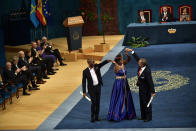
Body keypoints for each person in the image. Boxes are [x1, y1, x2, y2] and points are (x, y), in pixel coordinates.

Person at [126, 48, 155, 122]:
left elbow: (150, 82)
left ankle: (148, 117)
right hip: (141, 88)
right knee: (141, 102)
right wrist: (132, 51)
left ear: (142, 64)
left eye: (139, 63)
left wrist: (153, 92)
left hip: (146, 90)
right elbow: (137, 58)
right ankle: (143, 116)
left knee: (147, 103)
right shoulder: (141, 66)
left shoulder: (147, 71)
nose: (138, 63)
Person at [108, 51, 136, 121]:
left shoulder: (122, 63)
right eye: (120, 60)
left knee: (127, 97)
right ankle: (116, 114)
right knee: (120, 97)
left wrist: (127, 55)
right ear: (118, 61)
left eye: (121, 60)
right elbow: (118, 70)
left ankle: (128, 113)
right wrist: (115, 63)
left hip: (125, 82)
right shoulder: (116, 67)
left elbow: (129, 60)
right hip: (119, 84)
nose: (122, 61)